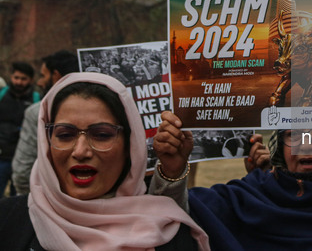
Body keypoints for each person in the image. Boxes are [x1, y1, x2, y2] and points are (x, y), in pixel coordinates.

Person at [0, 73, 209, 250]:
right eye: (65, 135)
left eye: (101, 135)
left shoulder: (166, 233)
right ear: (46, 142)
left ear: (130, 146)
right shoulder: (8, 222)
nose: (81, 151)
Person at [151, 116, 312, 250]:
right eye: (293, 134)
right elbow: (170, 221)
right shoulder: (249, 197)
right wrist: (172, 172)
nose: (306, 144)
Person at [12, 50, 80, 195]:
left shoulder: (36, 113)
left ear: (56, 76)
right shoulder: (100, 111)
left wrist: (32, 201)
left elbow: (22, 171)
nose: (40, 82)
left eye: (43, 76)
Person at [0, 62, 39, 197]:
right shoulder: (2, 95)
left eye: (23, 79)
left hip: (24, 159)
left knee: (17, 199)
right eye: (16, 77)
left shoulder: (36, 100)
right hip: (2, 157)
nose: (19, 82)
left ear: (30, 80)